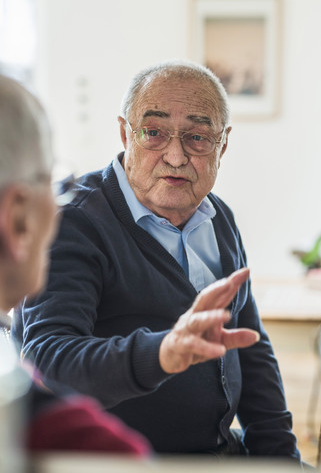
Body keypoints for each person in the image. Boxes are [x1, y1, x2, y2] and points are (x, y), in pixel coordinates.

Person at [13, 60, 301, 460]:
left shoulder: (217, 217)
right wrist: (163, 353)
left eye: (198, 137)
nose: (176, 156)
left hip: (220, 455)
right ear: (124, 134)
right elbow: (48, 361)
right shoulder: (75, 220)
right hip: (127, 464)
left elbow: (250, 349)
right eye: (154, 133)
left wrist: (279, 458)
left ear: (223, 144)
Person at [0, 74, 151, 456]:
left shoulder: (220, 219)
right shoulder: (85, 446)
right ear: (17, 219)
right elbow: (50, 354)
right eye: (55, 183)